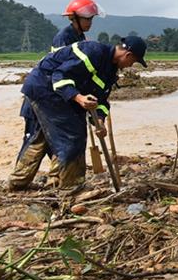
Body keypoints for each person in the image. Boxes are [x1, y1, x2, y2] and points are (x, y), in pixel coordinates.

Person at [9, 37, 147, 191]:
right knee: (73, 136)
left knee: (40, 137)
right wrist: (79, 98)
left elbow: (101, 99)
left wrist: (99, 121)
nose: (130, 66)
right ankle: (72, 188)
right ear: (127, 55)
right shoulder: (92, 52)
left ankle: (17, 183)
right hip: (46, 88)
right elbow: (59, 77)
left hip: (52, 92)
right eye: (133, 62)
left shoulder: (110, 70)